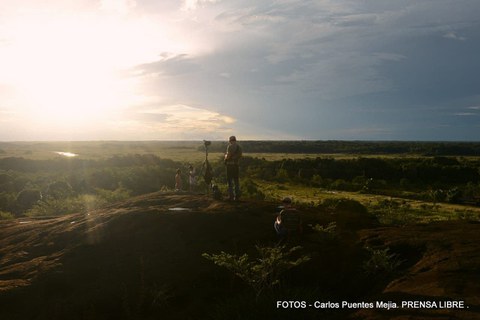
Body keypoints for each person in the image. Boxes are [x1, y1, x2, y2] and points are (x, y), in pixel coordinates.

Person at [224, 135, 242, 201]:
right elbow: (240, 156)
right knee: (236, 181)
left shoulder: (230, 146)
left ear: (230, 141)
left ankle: (231, 196)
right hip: (236, 165)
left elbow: (228, 156)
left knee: (230, 181)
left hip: (230, 165)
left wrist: (225, 158)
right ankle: (237, 196)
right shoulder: (239, 147)